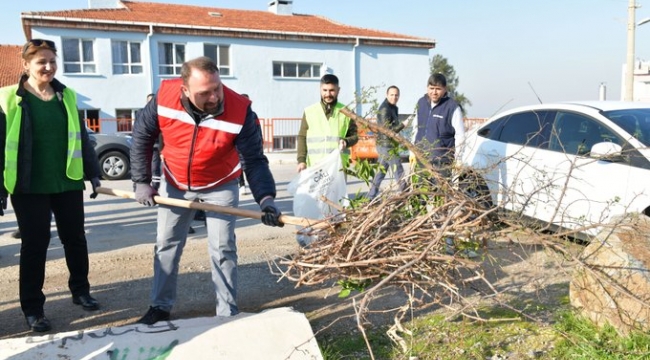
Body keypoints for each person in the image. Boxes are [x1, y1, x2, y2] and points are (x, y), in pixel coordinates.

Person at [130, 56, 283, 325]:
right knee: (167, 244)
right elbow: (142, 137)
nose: (214, 98)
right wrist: (142, 181)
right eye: (205, 93)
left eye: (217, 89)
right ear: (185, 89)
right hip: (174, 182)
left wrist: (266, 199)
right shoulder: (164, 98)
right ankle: (160, 306)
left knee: (223, 247)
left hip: (220, 184)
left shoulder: (240, 110)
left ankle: (226, 312)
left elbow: (255, 160)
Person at [0, 39, 103, 333]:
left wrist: (93, 172)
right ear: (26, 65)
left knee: (75, 239)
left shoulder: (66, 95)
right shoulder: (8, 98)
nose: (48, 67)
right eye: (41, 62)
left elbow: (81, 136)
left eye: (52, 61)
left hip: (67, 181)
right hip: (28, 186)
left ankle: (80, 291)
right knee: (35, 245)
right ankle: (33, 308)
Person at [413, 73, 473, 257]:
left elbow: (460, 136)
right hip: (422, 160)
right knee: (420, 198)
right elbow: (416, 127)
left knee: (443, 203)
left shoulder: (452, 107)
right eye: (431, 88)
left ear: (445, 90)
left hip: (442, 162)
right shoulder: (421, 103)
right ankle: (419, 239)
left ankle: (448, 245)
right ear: (427, 88)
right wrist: (412, 153)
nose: (434, 92)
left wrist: (458, 161)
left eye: (438, 89)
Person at [296, 74, 358, 173]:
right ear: (320, 89)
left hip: (338, 168)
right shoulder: (309, 111)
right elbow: (302, 137)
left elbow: (355, 136)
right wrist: (301, 161)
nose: (328, 94)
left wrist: (346, 142)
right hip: (315, 167)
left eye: (332, 90)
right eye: (325, 90)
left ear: (338, 90)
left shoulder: (347, 112)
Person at [367, 85, 409, 199]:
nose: (394, 97)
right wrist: (402, 125)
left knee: (380, 172)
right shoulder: (385, 109)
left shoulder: (393, 108)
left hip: (388, 144)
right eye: (391, 95)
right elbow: (387, 131)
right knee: (398, 169)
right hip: (386, 145)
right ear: (386, 95)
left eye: (396, 95)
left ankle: (370, 197)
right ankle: (407, 194)